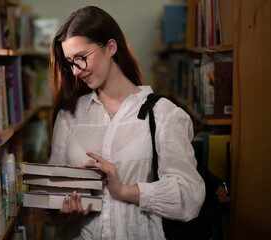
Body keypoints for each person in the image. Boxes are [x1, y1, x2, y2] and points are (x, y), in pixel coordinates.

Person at [46, 5, 205, 239]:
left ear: (111, 47)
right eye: (70, 62)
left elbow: (190, 196)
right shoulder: (69, 115)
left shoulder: (163, 114)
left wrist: (124, 190)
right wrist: (62, 210)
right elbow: (52, 193)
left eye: (81, 58)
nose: (75, 71)